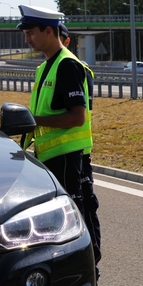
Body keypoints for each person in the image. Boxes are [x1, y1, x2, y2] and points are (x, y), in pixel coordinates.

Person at [17, 6, 100, 279]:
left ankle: (88, 272)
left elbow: (77, 117)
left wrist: (34, 120)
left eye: (31, 33)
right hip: (48, 159)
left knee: (78, 220)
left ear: (48, 31)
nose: (27, 39)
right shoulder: (44, 67)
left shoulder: (68, 66)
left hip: (67, 159)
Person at [58, 23, 101, 270]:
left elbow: (79, 114)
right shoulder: (52, 67)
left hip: (76, 152)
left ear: (67, 40)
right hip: (67, 151)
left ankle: (90, 265)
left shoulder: (74, 68)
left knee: (84, 210)